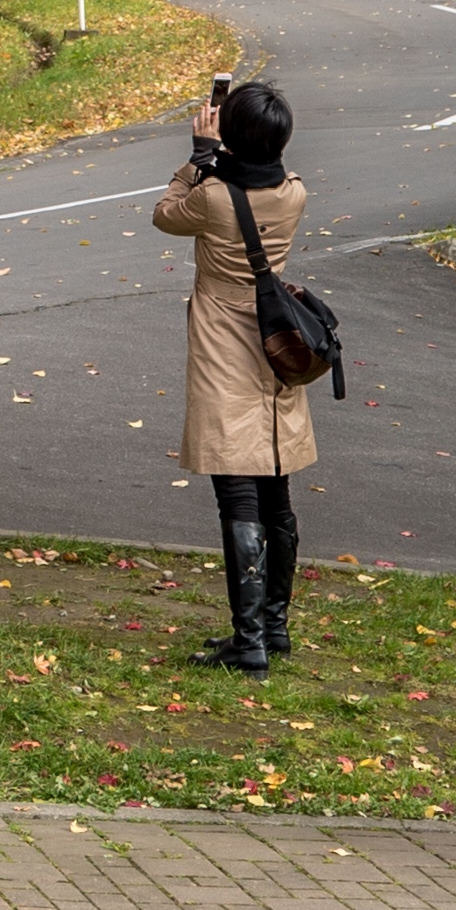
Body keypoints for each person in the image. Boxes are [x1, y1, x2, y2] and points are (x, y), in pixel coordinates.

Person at [151, 76, 313, 677]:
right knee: (275, 480)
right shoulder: (294, 192)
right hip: (275, 342)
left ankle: (249, 645)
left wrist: (197, 159)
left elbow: (166, 216)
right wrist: (232, 152)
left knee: (236, 488)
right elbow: (260, 171)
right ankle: (273, 626)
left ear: (230, 136)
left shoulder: (213, 196)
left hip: (225, 340)